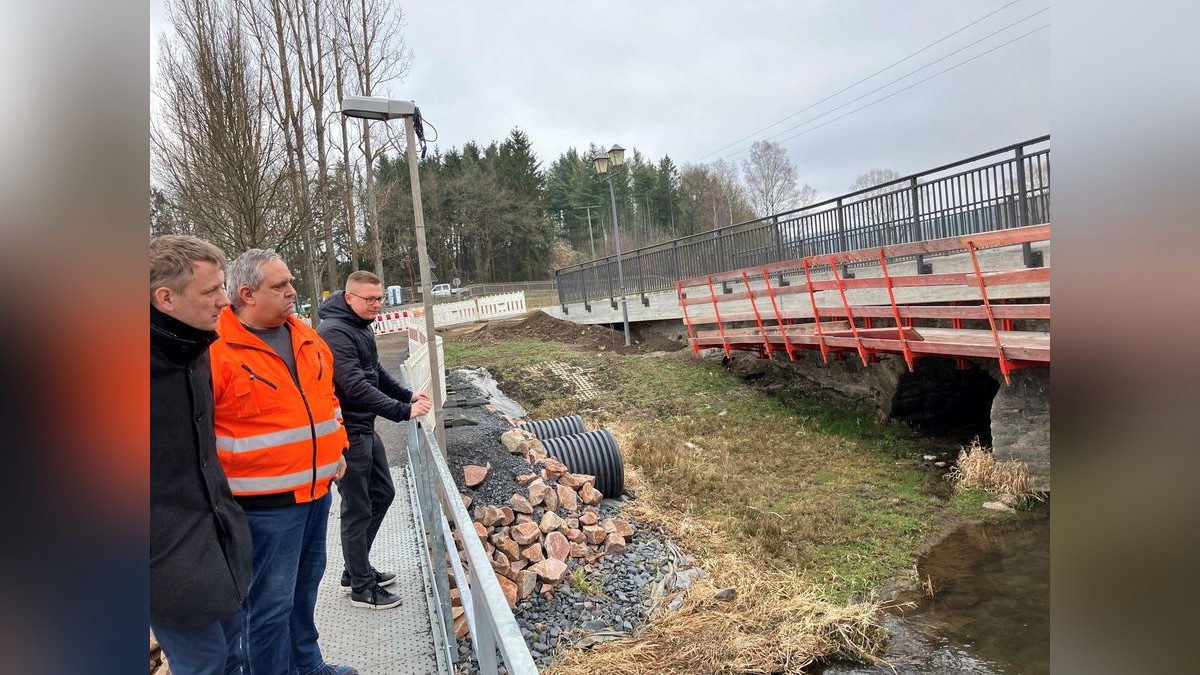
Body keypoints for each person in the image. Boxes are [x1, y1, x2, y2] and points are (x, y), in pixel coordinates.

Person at [209, 249, 356, 675]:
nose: (293, 291)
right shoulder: (215, 351)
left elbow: (328, 401)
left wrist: (339, 448)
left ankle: (307, 667)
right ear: (246, 294)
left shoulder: (307, 338)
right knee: (268, 609)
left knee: (304, 593)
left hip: (316, 493)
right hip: (264, 507)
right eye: (280, 285)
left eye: (290, 281)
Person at [150, 235, 252, 675]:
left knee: (232, 654)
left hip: (216, 542)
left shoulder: (194, 349)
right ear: (165, 298)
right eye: (211, 291)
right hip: (162, 560)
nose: (225, 301)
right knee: (206, 663)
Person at [317, 271, 432, 610]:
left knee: (383, 493)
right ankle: (361, 588)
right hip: (347, 432)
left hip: (364, 428)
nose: (377, 305)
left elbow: (375, 372)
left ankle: (356, 569)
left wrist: (407, 396)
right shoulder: (335, 332)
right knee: (357, 508)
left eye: (379, 298)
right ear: (349, 297)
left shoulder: (358, 326)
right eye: (369, 299)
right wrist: (401, 411)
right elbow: (354, 386)